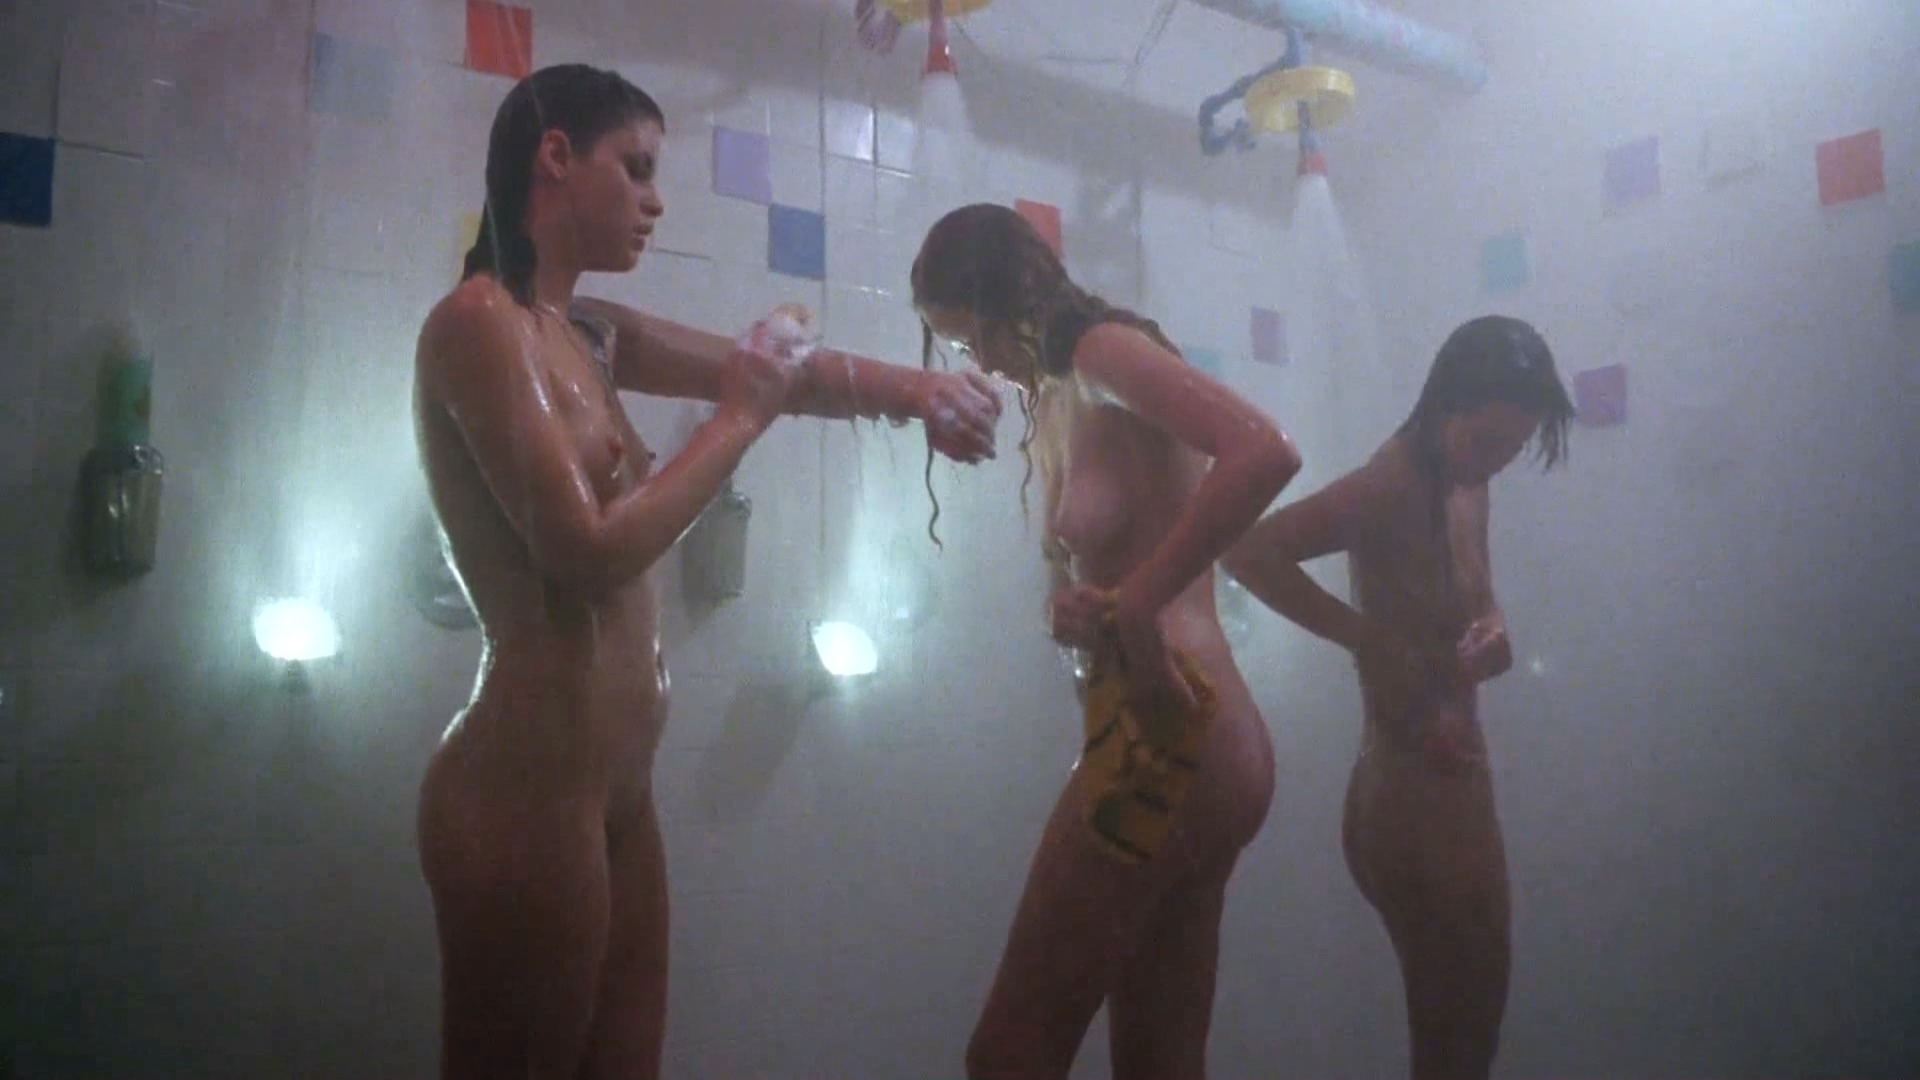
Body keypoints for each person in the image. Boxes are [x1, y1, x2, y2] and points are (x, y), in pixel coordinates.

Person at [412, 65, 1001, 1080]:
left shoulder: (586, 334)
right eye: (635, 168)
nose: (656, 200)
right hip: (524, 789)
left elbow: (779, 374)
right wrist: (737, 420)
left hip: (618, 791)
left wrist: (923, 392)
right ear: (555, 157)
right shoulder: (476, 324)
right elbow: (586, 553)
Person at [910, 203, 1303, 1080]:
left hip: (1173, 728)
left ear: (1005, 298)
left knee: (1007, 1054)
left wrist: (1136, 604)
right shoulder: (1069, 391)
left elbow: (1265, 452)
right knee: (1160, 1061)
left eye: (972, 336)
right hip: (1194, 737)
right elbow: (1138, 554)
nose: (981, 362)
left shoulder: (1102, 351)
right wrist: (1086, 610)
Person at [1220, 315, 1574, 1080]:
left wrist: (1493, 629)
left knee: (1468, 1040)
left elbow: (1477, 592)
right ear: (1445, 406)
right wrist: (1365, 637)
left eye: (1511, 449)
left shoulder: (1463, 477)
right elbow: (1248, 550)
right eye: (1486, 441)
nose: (1494, 462)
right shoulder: (1392, 483)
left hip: (1443, 781)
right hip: (1412, 791)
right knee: (1454, 1049)